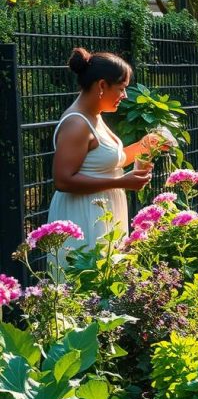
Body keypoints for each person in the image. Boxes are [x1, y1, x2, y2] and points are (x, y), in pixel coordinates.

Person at [48, 48, 156, 257]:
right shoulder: (76, 123)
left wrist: (147, 144)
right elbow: (62, 181)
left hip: (102, 213)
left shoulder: (95, 116)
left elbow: (109, 160)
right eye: (121, 88)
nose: (124, 96)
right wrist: (121, 182)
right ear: (102, 85)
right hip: (83, 216)